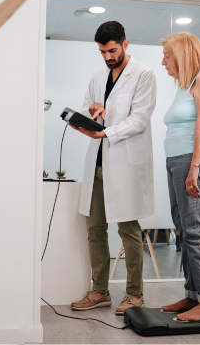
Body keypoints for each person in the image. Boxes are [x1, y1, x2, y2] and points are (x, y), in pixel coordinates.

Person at [69, 21, 157, 315]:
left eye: (112, 50)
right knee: (94, 229)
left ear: (125, 43)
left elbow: (139, 120)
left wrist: (105, 132)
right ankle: (100, 291)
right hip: (97, 163)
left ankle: (135, 294)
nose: (107, 56)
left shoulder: (143, 75)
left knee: (128, 228)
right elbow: (86, 106)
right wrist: (92, 111)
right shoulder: (98, 75)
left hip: (124, 161)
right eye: (102, 52)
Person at [161, 32, 200, 321]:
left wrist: (194, 168)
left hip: (194, 160)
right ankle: (193, 296)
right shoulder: (186, 86)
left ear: (183, 55)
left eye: (167, 56)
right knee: (183, 230)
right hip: (178, 160)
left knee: (195, 231)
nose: (164, 62)